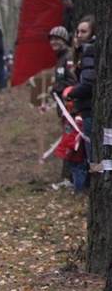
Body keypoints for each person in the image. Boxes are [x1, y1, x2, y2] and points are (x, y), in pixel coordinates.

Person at [63, 15, 95, 185]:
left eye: (84, 32)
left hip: (90, 112)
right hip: (86, 109)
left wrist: (71, 93)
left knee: (93, 155)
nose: (79, 35)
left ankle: (96, 184)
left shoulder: (90, 52)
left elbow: (88, 83)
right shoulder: (83, 54)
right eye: (78, 32)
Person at [47, 26, 79, 190]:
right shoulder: (60, 57)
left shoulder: (67, 57)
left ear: (64, 40)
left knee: (71, 142)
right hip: (64, 106)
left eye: (57, 39)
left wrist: (57, 88)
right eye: (51, 39)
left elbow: (73, 82)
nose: (53, 42)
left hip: (71, 107)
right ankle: (71, 177)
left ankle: (75, 179)